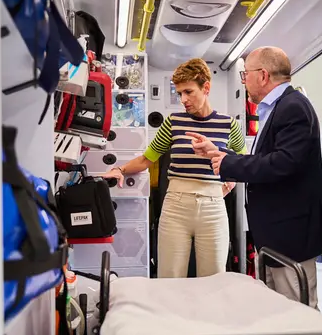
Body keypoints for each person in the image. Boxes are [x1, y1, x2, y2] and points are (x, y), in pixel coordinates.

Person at [187, 46, 322, 308]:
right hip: (275, 233)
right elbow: (265, 157)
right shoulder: (276, 108)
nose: (244, 81)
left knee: (297, 309)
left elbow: (284, 162)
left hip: (292, 233)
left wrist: (227, 163)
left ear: (263, 75)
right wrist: (218, 153)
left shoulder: (293, 107)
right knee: (275, 307)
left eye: (245, 74)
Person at [103, 58, 246, 278]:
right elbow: (146, 159)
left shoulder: (229, 125)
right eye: (179, 93)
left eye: (188, 92)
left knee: (214, 279)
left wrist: (227, 183)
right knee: (169, 278)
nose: (183, 100)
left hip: (213, 207)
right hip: (176, 208)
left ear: (206, 87)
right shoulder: (173, 122)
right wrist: (120, 170)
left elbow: (245, 163)